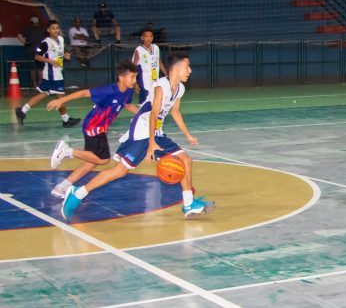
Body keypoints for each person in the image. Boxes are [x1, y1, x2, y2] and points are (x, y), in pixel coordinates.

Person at [62, 52, 213, 220]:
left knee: (186, 159)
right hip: (142, 131)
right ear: (176, 68)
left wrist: (187, 135)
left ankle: (188, 204)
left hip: (156, 132)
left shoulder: (180, 89)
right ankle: (78, 193)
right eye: (187, 66)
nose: (190, 70)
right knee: (120, 171)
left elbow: (175, 111)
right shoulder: (160, 86)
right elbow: (153, 115)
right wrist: (151, 143)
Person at [47, 60, 139, 198]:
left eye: (135, 77)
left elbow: (128, 106)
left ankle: (62, 186)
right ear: (121, 77)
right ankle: (66, 151)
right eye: (132, 77)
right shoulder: (109, 90)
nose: (134, 80)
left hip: (101, 128)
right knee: (103, 160)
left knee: (91, 162)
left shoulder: (127, 92)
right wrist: (61, 101)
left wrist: (144, 115)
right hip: (93, 126)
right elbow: (84, 93)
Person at [15, 20, 81, 128]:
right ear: (48, 30)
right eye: (53, 28)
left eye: (57, 28)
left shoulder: (61, 39)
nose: (56, 30)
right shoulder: (45, 43)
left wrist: (65, 56)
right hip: (52, 74)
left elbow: (59, 53)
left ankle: (22, 110)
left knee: (44, 93)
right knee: (61, 97)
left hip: (57, 71)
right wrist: (50, 61)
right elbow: (37, 56)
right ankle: (66, 120)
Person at [133, 27, 167, 103]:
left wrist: (167, 74)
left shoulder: (156, 48)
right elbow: (134, 67)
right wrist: (135, 83)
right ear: (142, 37)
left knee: (154, 100)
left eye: (150, 36)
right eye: (146, 36)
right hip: (143, 79)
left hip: (155, 79)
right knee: (144, 102)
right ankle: (142, 114)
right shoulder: (139, 50)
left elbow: (159, 61)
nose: (148, 38)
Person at [17, 16, 45, 89]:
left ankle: (33, 84)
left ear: (31, 22)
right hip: (40, 50)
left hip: (30, 50)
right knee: (40, 68)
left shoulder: (27, 29)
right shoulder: (42, 30)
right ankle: (40, 84)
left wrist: (25, 42)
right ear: (38, 22)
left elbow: (19, 35)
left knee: (32, 68)